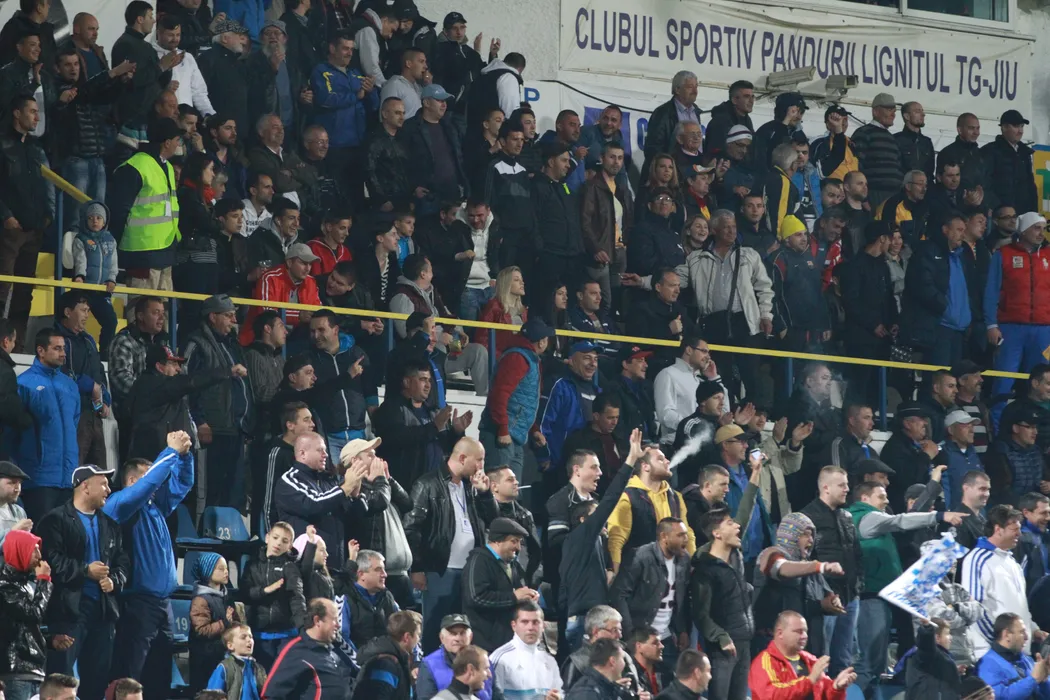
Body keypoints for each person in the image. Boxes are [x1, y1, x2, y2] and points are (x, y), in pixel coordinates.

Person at [846, 481, 967, 694]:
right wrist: (939, 515)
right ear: (865, 498)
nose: (887, 500)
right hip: (870, 597)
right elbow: (901, 520)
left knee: (876, 664)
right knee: (868, 663)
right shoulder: (867, 517)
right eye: (881, 496)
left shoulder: (871, 521)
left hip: (877, 596)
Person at [106, 433, 195, 698]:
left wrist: (184, 457)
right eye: (149, 476)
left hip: (163, 604)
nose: (156, 483)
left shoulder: (155, 505)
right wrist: (170, 451)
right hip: (137, 603)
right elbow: (153, 481)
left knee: (159, 676)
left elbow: (183, 483)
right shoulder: (120, 504)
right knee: (130, 674)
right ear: (133, 481)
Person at [36, 463, 129, 700]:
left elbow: (123, 562)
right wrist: (85, 571)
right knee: (61, 680)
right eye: (103, 484)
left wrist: (114, 580)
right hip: (68, 612)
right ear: (85, 486)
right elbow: (50, 561)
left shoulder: (111, 525)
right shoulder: (54, 520)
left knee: (97, 680)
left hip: (103, 611)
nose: (109, 489)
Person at [403, 437, 496, 652]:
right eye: (479, 460)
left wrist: (485, 494)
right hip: (440, 569)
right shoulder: (427, 484)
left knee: (466, 631)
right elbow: (411, 528)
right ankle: (431, 670)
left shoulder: (472, 487)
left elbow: (494, 521)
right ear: (462, 458)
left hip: (470, 571)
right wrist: (417, 567)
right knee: (437, 628)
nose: (482, 466)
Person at [677, 209, 774, 402]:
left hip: (745, 322)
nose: (732, 231)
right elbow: (673, 279)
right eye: (726, 227)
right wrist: (644, 282)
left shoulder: (749, 255)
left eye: (734, 227)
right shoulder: (696, 258)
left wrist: (766, 315)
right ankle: (726, 413)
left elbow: (764, 288)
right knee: (721, 375)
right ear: (714, 230)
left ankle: (755, 414)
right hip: (713, 323)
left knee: (751, 374)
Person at [183, 294, 254, 507]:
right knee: (211, 491)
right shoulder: (196, 344)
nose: (234, 321)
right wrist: (199, 420)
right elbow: (188, 384)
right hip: (212, 429)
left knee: (233, 492)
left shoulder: (233, 344)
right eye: (228, 315)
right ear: (213, 317)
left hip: (235, 428)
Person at [11, 330, 80, 521]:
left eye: (63, 348)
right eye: (57, 348)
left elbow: (74, 423)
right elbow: (13, 431)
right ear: (41, 350)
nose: (63, 353)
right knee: (41, 533)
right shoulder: (24, 384)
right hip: (38, 478)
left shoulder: (70, 385)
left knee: (65, 534)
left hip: (68, 478)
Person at [961, 504, 1044, 660]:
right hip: (993, 652)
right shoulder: (977, 560)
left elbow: (1019, 606)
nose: (1019, 533)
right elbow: (974, 610)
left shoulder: (1011, 562)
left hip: (1017, 651)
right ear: (998, 529)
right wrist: (999, 643)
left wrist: (1033, 630)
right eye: (1014, 529)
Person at [800, 467, 862, 677]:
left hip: (850, 597)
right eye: (842, 485)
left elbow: (856, 553)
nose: (847, 489)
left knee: (844, 660)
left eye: (847, 484)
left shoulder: (847, 516)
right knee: (821, 659)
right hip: (825, 600)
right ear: (826, 487)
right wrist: (823, 594)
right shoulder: (806, 517)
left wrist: (857, 587)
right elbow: (805, 559)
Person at [985, 213, 1050, 412]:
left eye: (1043, 228)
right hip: (1010, 328)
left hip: (1044, 330)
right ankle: (997, 425)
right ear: (1023, 230)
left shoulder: (1048, 255)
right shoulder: (1003, 254)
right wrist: (991, 324)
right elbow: (991, 291)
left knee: (1042, 383)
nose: (1041, 233)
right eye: (1036, 228)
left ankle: (1039, 425)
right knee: (1004, 380)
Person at [478, 318, 552, 481]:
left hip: (514, 435)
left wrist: (533, 429)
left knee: (511, 490)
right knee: (498, 488)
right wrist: (503, 429)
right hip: (501, 436)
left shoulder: (528, 358)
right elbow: (499, 395)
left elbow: (523, 401)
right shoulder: (517, 358)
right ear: (541, 342)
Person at [692, 509, 752, 700]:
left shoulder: (736, 557)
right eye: (730, 523)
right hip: (723, 649)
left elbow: (746, 513)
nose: (737, 526)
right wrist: (721, 637)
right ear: (717, 533)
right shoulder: (705, 570)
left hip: (744, 642)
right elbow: (700, 614)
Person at [612, 516, 690, 659]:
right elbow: (619, 595)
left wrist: (682, 630)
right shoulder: (640, 557)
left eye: (686, 535)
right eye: (680, 535)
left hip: (666, 635)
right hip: (640, 636)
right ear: (664, 537)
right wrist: (630, 633)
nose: (686, 539)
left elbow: (680, 599)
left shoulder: (684, 560)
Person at [839, 221, 898, 404]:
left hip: (882, 341)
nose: (892, 243)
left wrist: (894, 322)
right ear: (882, 239)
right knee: (858, 388)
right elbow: (851, 301)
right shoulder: (855, 266)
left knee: (877, 389)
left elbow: (889, 297)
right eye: (890, 238)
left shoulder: (883, 266)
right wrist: (873, 324)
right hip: (861, 340)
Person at [461, 517, 535, 652]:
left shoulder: (511, 563)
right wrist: (514, 597)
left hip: (506, 639)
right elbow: (476, 597)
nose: (518, 547)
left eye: (519, 542)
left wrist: (527, 597)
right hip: (484, 642)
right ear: (497, 540)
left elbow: (518, 591)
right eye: (514, 541)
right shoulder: (479, 561)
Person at [53, 293, 110, 467]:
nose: (87, 315)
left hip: (93, 415)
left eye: (88, 311)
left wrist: (105, 399)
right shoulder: (56, 340)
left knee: (99, 471)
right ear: (68, 312)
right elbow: (57, 374)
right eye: (83, 310)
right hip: (72, 416)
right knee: (74, 469)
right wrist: (89, 385)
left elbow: (99, 371)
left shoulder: (88, 339)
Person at [242, 521, 307, 669]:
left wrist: (303, 628)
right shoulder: (252, 565)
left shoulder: (290, 567)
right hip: (258, 635)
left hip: (285, 636)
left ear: (290, 546)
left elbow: (297, 598)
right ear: (267, 538)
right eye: (275, 537)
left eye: (284, 541)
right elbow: (245, 594)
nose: (278, 543)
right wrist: (265, 590)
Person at [749, 611, 856, 700]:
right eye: (798, 631)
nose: (804, 636)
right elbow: (772, 696)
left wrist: (836, 687)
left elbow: (824, 694)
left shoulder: (810, 660)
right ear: (780, 633)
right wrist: (809, 681)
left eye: (805, 631)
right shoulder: (764, 662)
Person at [261, 599, 353, 699]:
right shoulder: (296, 651)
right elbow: (271, 694)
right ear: (317, 620)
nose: (338, 625)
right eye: (334, 619)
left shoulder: (332, 652)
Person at [0, 528, 52, 700]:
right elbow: (33, 613)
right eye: (34, 550)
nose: (39, 556)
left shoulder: (27, 586)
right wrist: (44, 582)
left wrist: (50, 640)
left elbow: (25, 627)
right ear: (19, 551)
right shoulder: (5, 587)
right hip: (15, 672)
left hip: (34, 672)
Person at [581, 143, 633, 313]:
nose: (616, 162)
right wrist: (595, 248)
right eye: (612, 157)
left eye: (620, 158)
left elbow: (628, 221)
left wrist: (625, 243)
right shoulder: (591, 186)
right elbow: (584, 221)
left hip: (620, 252)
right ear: (601, 159)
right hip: (601, 253)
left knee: (616, 302)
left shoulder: (622, 190)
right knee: (603, 302)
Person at [654, 335, 722, 451]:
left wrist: (713, 378)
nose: (708, 357)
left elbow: (723, 408)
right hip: (676, 447)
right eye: (704, 351)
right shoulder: (668, 374)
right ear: (689, 350)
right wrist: (692, 427)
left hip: (700, 446)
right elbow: (665, 414)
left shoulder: (700, 381)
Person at [490, 602, 563, 700]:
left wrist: (558, 697)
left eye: (535, 622)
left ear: (543, 626)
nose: (530, 627)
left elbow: (560, 693)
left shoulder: (550, 661)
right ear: (514, 625)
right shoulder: (500, 658)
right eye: (524, 622)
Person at [418, 615, 497, 700]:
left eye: (462, 633)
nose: (458, 638)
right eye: (453, 633)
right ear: (442, 638)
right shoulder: (429, 664)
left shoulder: (484, 660)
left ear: (470, 637)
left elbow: (497, 695)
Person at [976, 612, 1050, 700]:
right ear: (1007, 634)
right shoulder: (987, 664)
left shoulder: (1027, 659)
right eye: (1022, 632)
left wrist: (1044, 679)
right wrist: (1033, 679)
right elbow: (999, 697)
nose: (1027, 637)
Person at [643, 71, 702, 179]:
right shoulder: (662, 113)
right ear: (677, 89)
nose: (695, 91)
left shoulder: (696, 112)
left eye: (696, 86)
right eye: (690, 87)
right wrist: (670, 171)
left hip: (692, 174)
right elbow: (653, 148)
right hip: (671, 176)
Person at [352, 610, 422, 700]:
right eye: (418, 635)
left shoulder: (397, 661)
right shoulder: (385, 665)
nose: (418, 640)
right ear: (407, 637)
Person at [985, 408, 1045, 506]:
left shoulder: (1036, 451)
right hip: (1009, 509)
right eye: (1029, 427)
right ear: (1015, 428)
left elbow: (1044, 477)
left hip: (1035, 507)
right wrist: (1026, 506)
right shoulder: (1000, 451)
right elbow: (1000, 491)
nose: (1035, 432)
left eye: (1035, 427)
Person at [851, 93, 902, 207]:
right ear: (875, 111)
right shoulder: (863, 133)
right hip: (873, 195)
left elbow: (898, 167)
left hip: (894, 196)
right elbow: (857, 166)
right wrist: (863, 198)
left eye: (894, 110)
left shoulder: (892, 138)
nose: (893, 114)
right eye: (889, 109)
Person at [983, 110, 1038, 214]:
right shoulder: (989, 151)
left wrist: (1033, 212)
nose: (1020, 131)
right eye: (1016, 126)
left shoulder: (1025, 153)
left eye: (1022, 126)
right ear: (1004, 127)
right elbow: (985, 184)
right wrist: (996, 206)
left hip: (1024, 213)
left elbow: (1031, 185)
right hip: (1001, 215)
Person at [205, 624, 267, 700]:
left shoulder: (259, 668)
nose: (249, 640)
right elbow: (213, 695)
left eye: (251, 637)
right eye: (243, 637)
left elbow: (266, 694)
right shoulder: (225, 667)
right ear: (230, 646)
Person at [564, 638, 633, 700]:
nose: (624, 663)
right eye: (622, 658)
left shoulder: (606, 689)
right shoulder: (587, 694)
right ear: (612, 662)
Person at [941, 411, 983, 510]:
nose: (971, 430)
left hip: (977, 512)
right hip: (955, 514)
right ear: (951, 430)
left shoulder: (973, 452)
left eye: (972, 426)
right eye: (965, 426)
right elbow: (944, 488)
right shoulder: (942, 453)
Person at [704, 80, 754, 155]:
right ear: (734, 100)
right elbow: (715, 151)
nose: (751, 101)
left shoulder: (747, 120)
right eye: (746, 96)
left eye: (752, 96)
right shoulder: (720, 121)